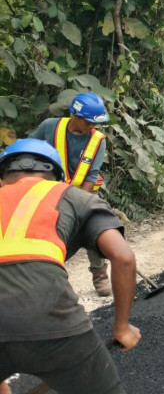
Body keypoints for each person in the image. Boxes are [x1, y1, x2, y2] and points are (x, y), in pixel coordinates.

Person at [0, 139, 141, 393]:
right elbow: (123, 258)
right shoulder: (76, 197)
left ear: (2, 178)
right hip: (56, 327)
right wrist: (121, 327)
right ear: (56, 177)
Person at [28, 91, 113, 297]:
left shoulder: (98, 140)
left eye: (96, 124)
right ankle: (50, 276)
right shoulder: (49, 127)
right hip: (45, 191)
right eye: (88, 123)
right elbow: (28, 151)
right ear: (76, 116)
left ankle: (99, 272)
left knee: (95, 219)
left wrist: (80, 205)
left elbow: (92, 176)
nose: (92, 127)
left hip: (79, 192)